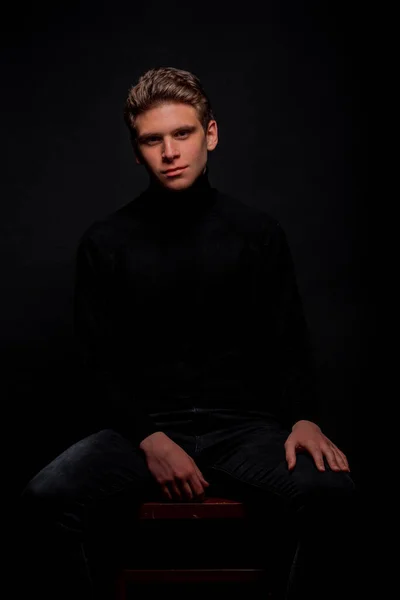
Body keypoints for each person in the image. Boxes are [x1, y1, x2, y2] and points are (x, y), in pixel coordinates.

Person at [18, 66, 357, 599]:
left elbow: (288, 339)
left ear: (211, 135)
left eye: (183, 133)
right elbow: (96, 363)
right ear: (137, 151)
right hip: (141, 428)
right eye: (152, 140)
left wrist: (305, 417)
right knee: (45, 497)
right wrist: (150, 438)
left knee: (332, 493)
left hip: (244, 427)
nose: (169, 151)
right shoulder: (105, 242)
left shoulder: (257, 233)